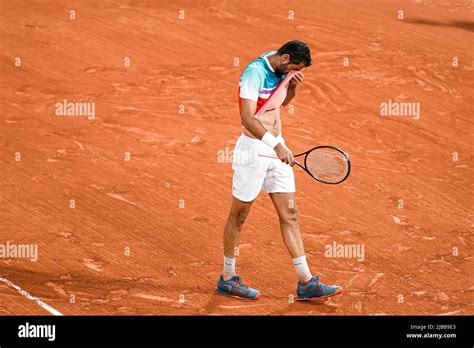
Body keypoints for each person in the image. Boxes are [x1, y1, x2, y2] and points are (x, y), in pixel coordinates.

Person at [216, 40, 344, 300]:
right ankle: (227, 278)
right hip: (253, 151)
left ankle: (306, 281)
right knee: (239, 215)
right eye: (294, 69)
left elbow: (278, 105)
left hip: (277, 149)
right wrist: (276, 145)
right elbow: (247, 118)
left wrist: (293, 91)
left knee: (291, 214)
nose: (293, 73)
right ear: (284, 58)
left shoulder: (282, 70)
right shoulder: (254, 73)